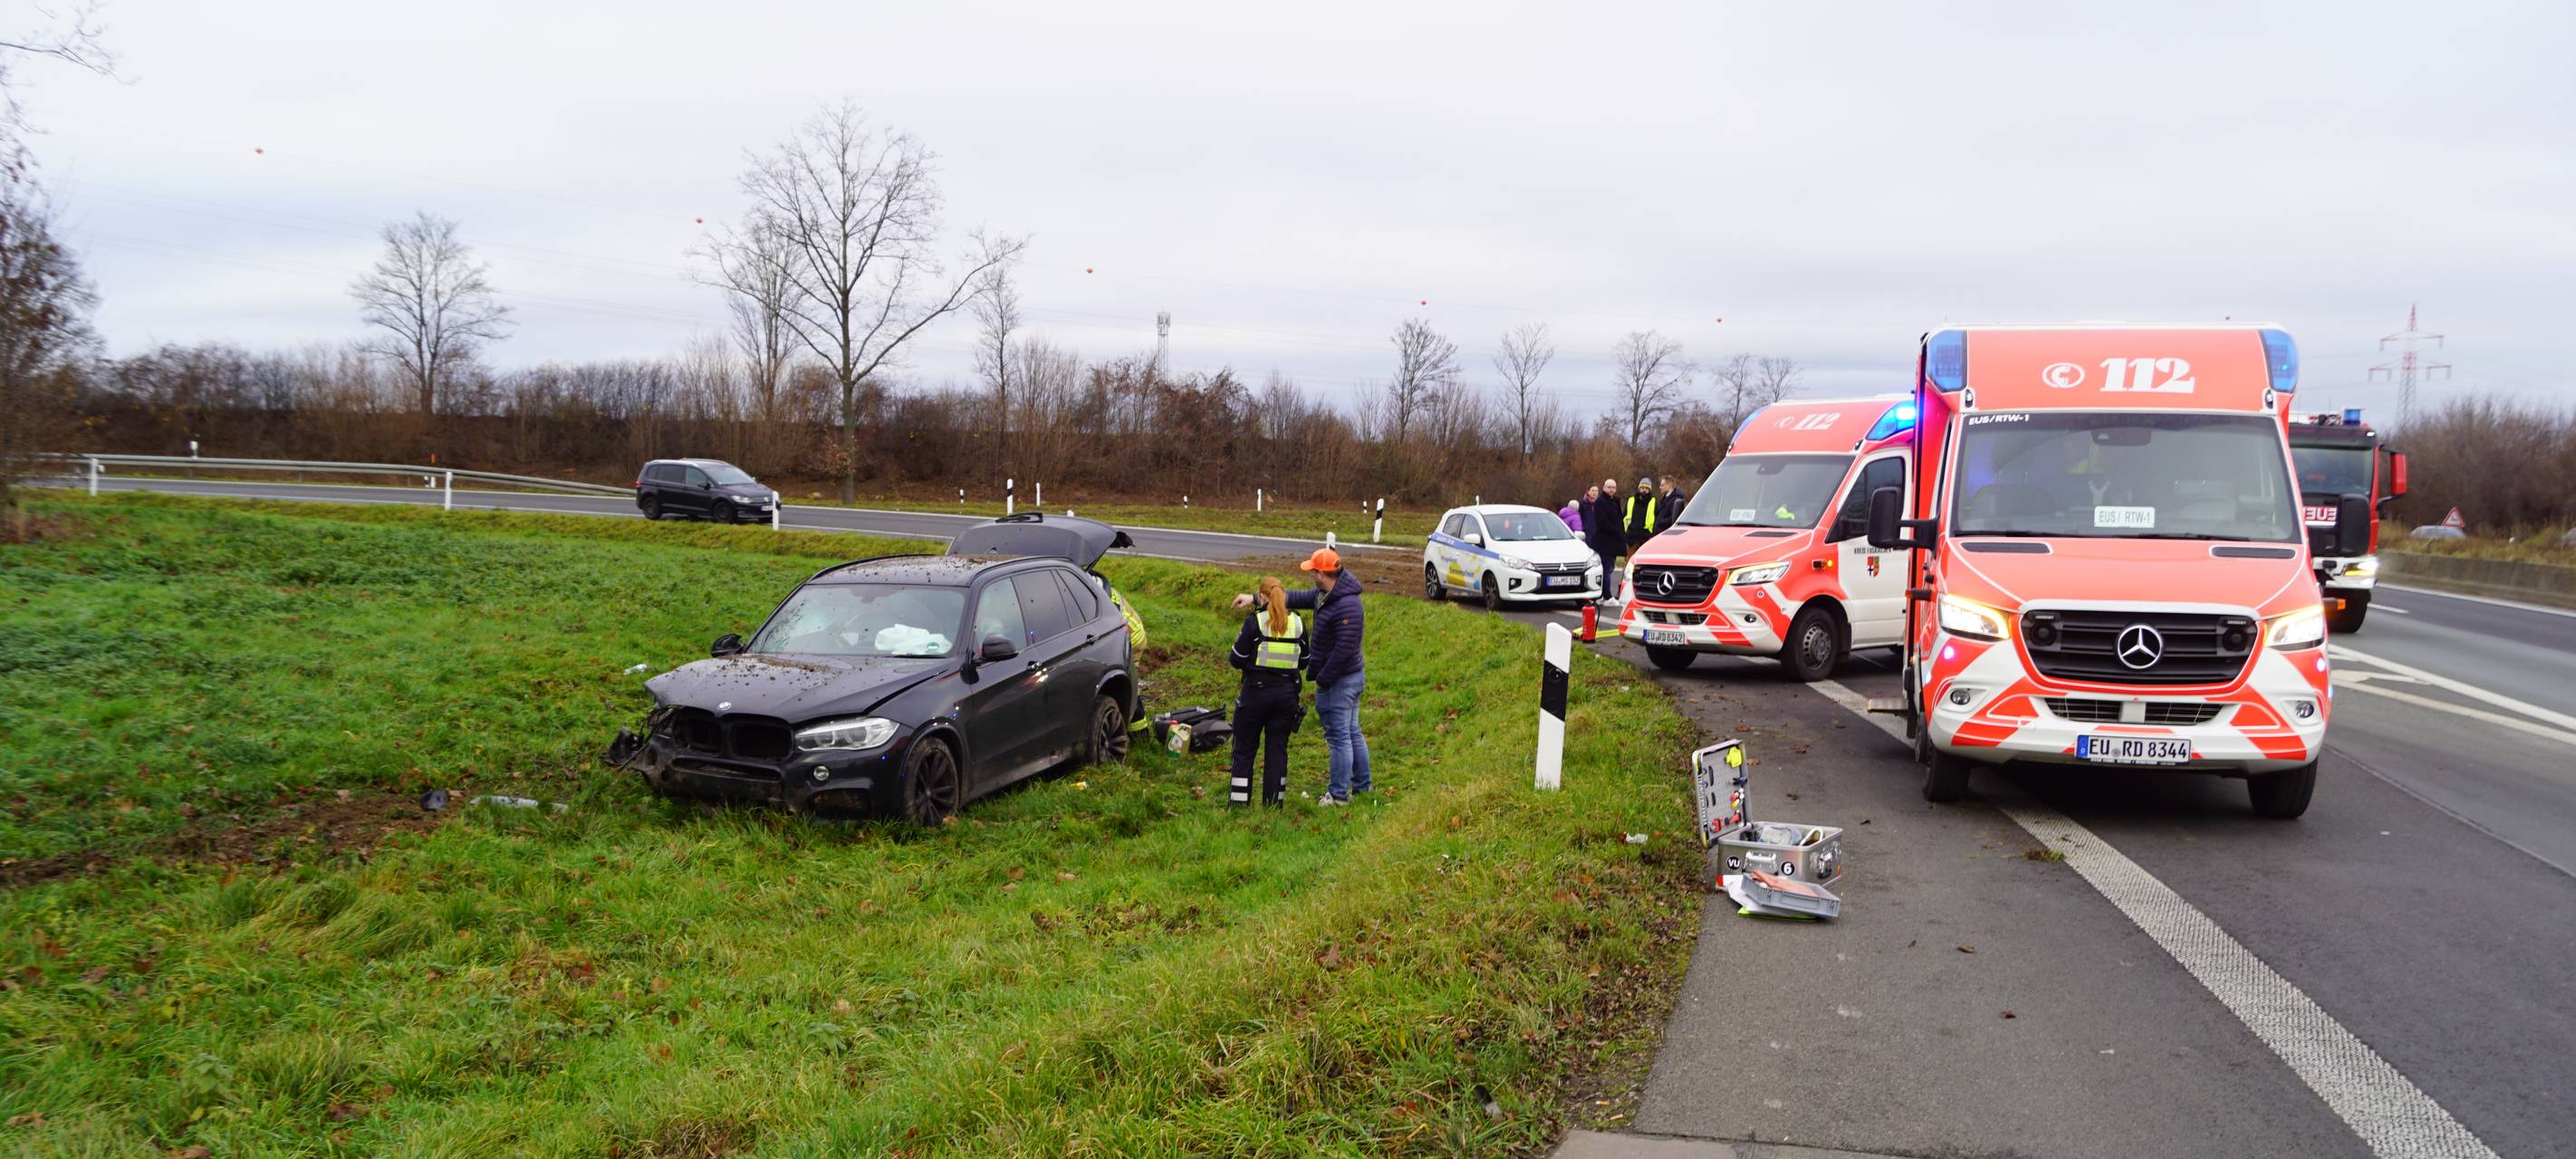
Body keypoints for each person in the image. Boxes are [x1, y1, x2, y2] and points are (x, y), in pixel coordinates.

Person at [1234, 547, 1369, 804]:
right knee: (1352, 732)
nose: (1310, 575)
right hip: (1343, 677)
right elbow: (1292, 598)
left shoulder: (1347, 605)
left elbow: (1344, 650)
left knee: (1339, 737)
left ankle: (1338, 795)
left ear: (1321, 574)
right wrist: (1255, 598)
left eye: (1312, 571)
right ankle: (1363, 787)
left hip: (1340, 680)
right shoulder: (1324, 595)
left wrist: (1323, 678)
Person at [1226, 576, 1310, 807]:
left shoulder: (1255, 622)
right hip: (1286, 696)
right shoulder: (1298, 623)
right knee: (1277, 751)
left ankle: (1239, 804)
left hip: (1256, 693)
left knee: (1244, 750)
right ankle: (1274, 805)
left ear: (1261, 597)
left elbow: (1236, 658)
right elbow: (1304, 661)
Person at [1588, 477, 1626, 599]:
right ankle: (1606, 595)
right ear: (1604, 488)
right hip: (1603, 542)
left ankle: (1603, 595)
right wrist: (1616, 531)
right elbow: (1602, 522)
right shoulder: (1600, 502)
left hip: (1614, 542)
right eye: (1609, 487)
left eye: (1614, 487)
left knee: (1610, 568)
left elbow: (1619, 520)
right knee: (1606, 568)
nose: (1611, 490)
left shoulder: (1615, 501)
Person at [1623, 474, 1661, 551]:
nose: (1644, 490)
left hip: (1646, 538)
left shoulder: (1654, 502)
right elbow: (1624, 516)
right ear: (1639, 488)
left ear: (1649, 490)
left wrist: (1652, 534)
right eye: (1642, 488)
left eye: (1647, 488)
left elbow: (1658, 520)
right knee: (1630, 558)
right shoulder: (1631, 500)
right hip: (1631, 537)